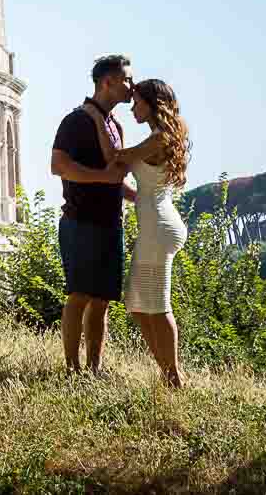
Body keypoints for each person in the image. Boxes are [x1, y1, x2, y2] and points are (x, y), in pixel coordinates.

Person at [85, 78, 191, 387]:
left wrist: (98, 118)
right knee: (138, 304)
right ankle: (168, 374)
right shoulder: (159, 136)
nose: (133, 107)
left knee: (158, 305)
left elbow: (116, 157)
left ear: (152, 105)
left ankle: (173, 377)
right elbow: (136, 176)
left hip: (158, 227)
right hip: (156, 224)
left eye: (138, 102)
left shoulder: (158, 139)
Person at [50, 55, 137, 374]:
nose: (132, 86)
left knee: (102, 300)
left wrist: (139, 199)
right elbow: (58, 165)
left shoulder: (116, 126)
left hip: (111, 224)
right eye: (127, 79)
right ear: (107, 82)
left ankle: (94, 368)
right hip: (80, 221)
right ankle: (72, 369)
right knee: (79, 295)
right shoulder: (76, 121)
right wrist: (104, 179)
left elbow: (116, 179)